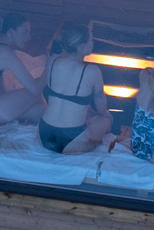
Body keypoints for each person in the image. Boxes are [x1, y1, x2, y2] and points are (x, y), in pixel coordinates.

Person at [37, 22, 110, 154]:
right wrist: (98, 114)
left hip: (44, 134)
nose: (93, 43)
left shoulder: (52, 61)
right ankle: (109, 143)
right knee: (107, 118)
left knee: (85, 113)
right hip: (73, 137)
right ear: (81, 47)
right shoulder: (93, 71)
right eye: (91, 40)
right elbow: (101, 107)